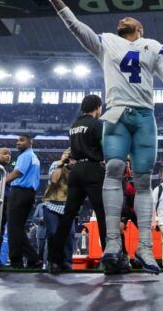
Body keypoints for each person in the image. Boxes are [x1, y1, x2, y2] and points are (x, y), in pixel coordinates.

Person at [36, 0, 163, 275]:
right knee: (115, 171)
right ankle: (112, 245)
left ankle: (145, 247)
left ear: (140, 29)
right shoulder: (106, 42)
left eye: (129, 18)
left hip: (145, 116)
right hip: (116, 115)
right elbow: (76, 28)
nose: (123, 19)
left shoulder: (151, 46)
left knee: (143, 181)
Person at [49, 95, 107, 274]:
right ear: (97, 107)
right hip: (92, 169)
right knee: (102, 214)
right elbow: (105, 148)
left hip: (76, 172)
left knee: (68, 216)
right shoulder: (98, 124)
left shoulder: (73, 126)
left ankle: (54, 261)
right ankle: (109, 257)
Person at [5, 135, 42, 269]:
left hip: (19, 192)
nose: (17, 143)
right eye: (17, 141)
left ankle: (30, 258)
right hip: (29, 193)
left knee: (14, 228)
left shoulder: (25, 156)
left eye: (21, 140)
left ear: (30, 142)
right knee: (17, 228)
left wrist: (2, 182)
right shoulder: (35, 158)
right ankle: (21, 261)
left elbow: (17, 173)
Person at [43, 149, 75, 268]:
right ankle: (53, 262)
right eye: (68, 156)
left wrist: (74, 167)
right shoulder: (56, 164)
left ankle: (67, 263)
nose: (70, 158)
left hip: (68, 206)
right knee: (53, 232)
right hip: (52, 204)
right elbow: (54, 180)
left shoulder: (78, 168)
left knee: (70, 235)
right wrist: (62, 163)